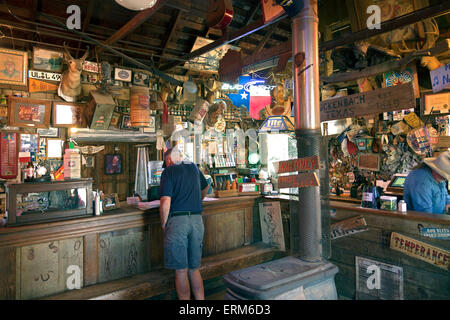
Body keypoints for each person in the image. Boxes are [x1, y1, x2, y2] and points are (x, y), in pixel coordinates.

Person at [159, 146, 209, 300]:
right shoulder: (193, 167)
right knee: (194, 268)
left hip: (178, 221)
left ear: (168, 160)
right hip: (197, 220)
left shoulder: (169, 171)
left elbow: (165, 201)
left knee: (181, 270)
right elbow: (206, 186)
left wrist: (163, 223)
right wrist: (197, 201)